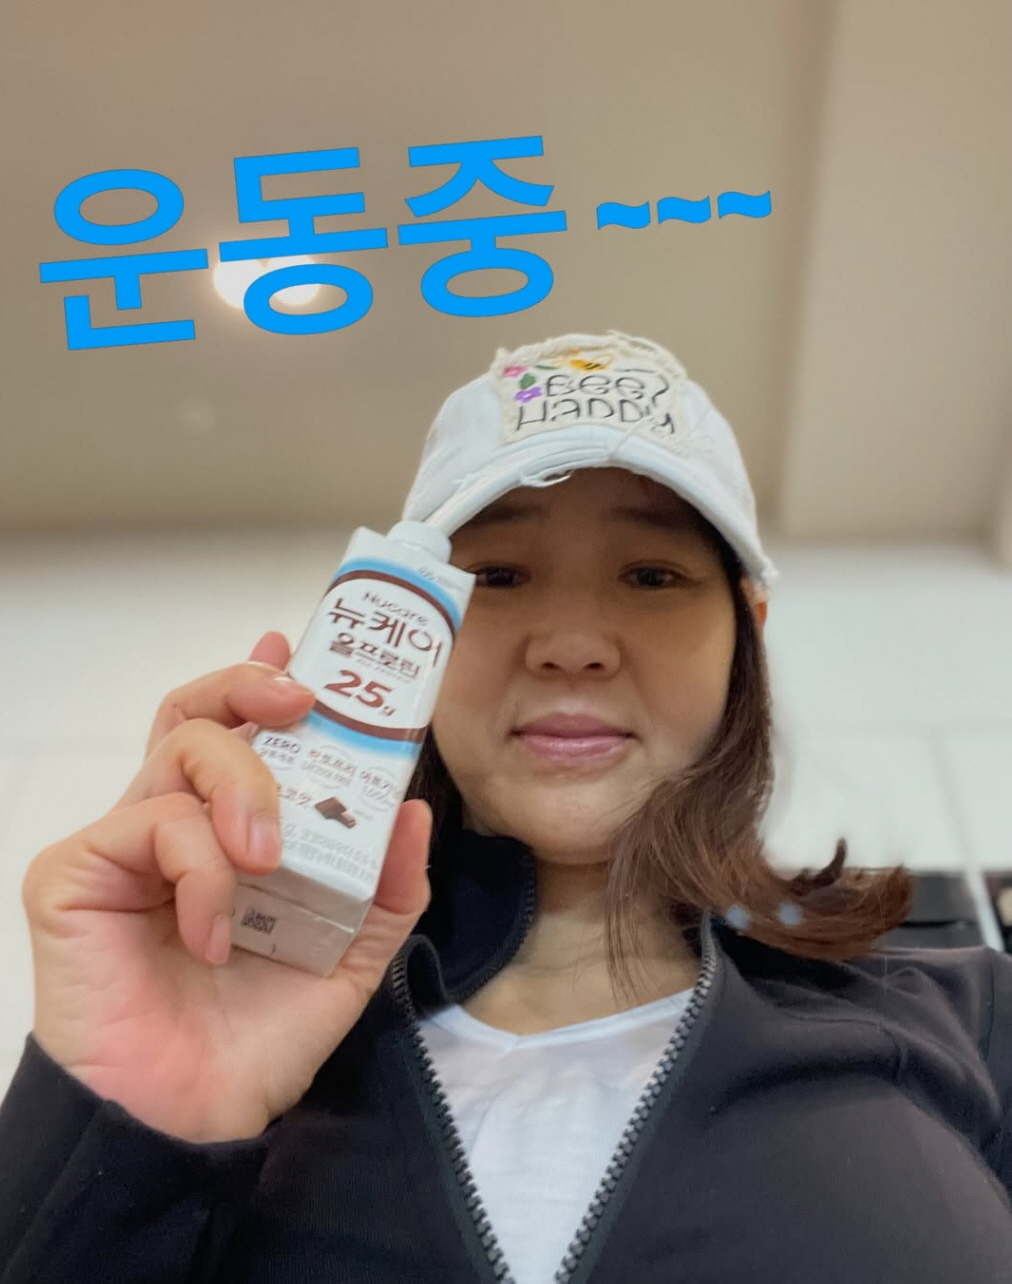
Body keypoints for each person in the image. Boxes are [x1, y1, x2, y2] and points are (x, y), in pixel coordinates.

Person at [1, 330, 1011, 1284]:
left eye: (651, 574)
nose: (570, 643)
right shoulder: (247, 1017)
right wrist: (115, 1125)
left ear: (745, 629)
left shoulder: (976, 1017)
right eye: (495, 575)